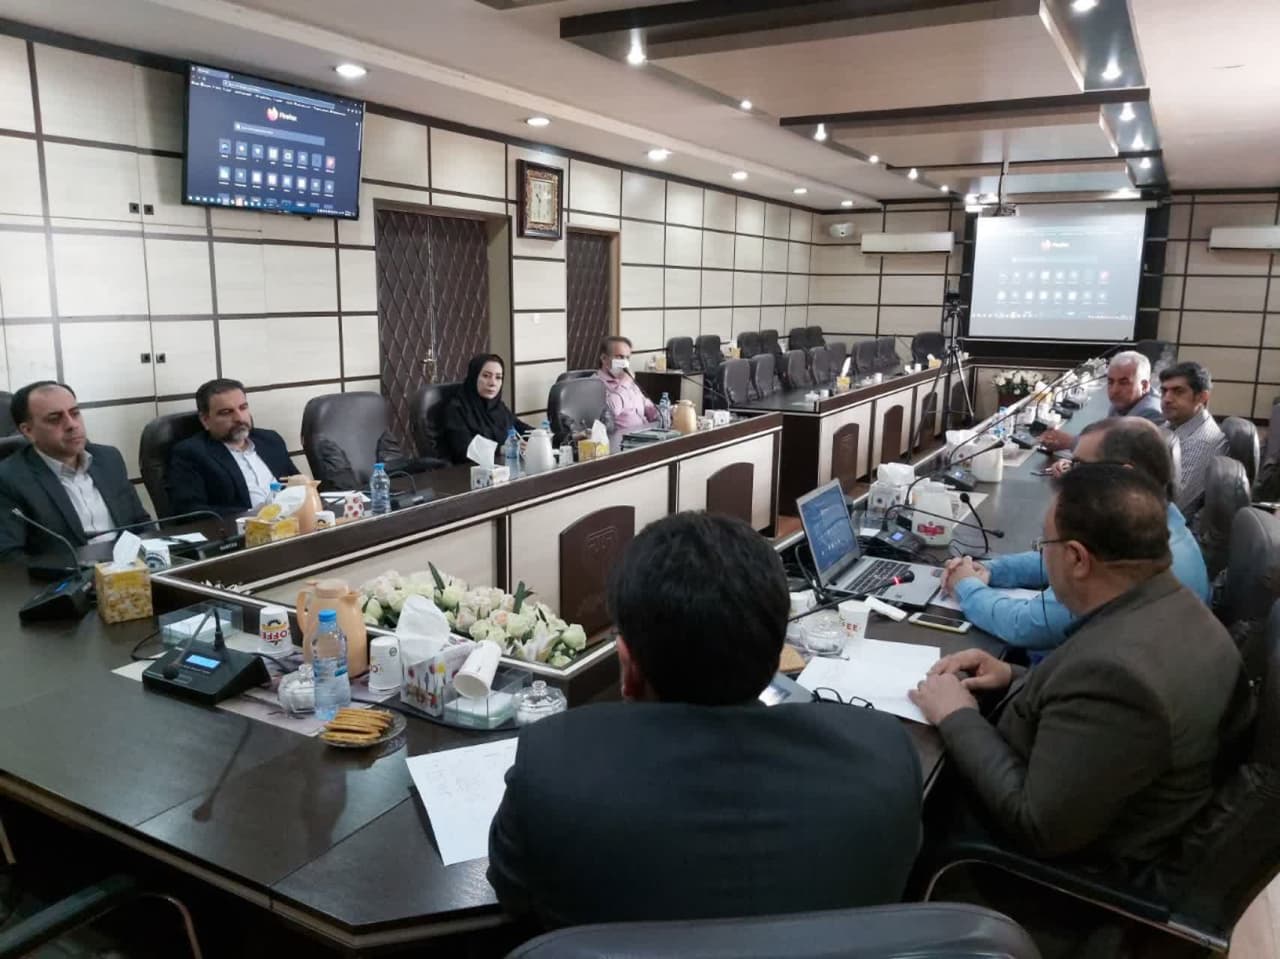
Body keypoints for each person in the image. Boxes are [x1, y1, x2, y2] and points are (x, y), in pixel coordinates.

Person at [488, 512, 922, 929]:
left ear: (629, 668)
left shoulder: (551, 766)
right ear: (777, 653)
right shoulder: (884, 755)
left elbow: (513, 894)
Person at [912, 464, 1245, 868]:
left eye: (1045, 545)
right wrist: (1013, 677)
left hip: (1027, 871)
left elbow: (1035, 825)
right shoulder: (1175, 605)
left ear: (1077, 558)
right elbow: (1085, 714)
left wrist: (957, 716)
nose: (1043, 555)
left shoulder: (1120, 678)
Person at [941, 417, 1209, 650]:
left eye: (1079, 466)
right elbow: (1066, 559)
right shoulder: (1155, 523)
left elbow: (1024, 624)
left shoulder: (1147, 559)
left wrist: (966, 586)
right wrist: (992, 570)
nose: (1067, 475)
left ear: (1123, 477)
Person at [0, 381, 151, 563]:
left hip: (132, 569)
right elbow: (9, 558)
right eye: (55, 419)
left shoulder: (109, 459)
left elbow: (141, 523)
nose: (72, 425)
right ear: (28, 431)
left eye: (75, 413)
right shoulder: (9, 479)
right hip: (68, 577)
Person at [166, 378, 299, 516]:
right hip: (245, 526)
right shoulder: (191, 453)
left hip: (293, 521)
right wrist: (252, 514)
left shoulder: (270, 440)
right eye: (226, 412)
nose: (239, 418)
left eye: (243, 408)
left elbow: (298, 483)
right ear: (205, 420)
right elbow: (190, 510)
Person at [1037, 351, 1164, 452]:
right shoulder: (1124, 402)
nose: (1114, 390)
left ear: (1144, 386)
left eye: (1123, 383)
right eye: (1111, 382)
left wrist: (1071, 443)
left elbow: (1119, 453)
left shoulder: (1150, 413)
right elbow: (1108, 438)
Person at [1159, 360, 1226, 517]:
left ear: (1202, 397)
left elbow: (1176, 507)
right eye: (1164, 391)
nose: (1167, 399)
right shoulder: (1172, 424)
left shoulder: (1203, 442)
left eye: (1178, 391)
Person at [440, 354, 531, 464]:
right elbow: (464, 448)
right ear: (474, 377)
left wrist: (540, 436)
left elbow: (519, 427)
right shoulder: (456, 408)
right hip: (469, 470)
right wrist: (501, 450)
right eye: (486, 376)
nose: (492, 383)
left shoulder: (498, 406)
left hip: (503, 467)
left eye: (498, 377)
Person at [594, 335, 655, 431]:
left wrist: (668, 412)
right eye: (620, 357)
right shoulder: (594, 384)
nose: (625, 362)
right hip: (623, 438)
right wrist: (624, 383)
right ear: (604, 358)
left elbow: (646, 405)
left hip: (645, 432)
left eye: (627, 358)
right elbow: (611, 411)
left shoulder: (628, 381)